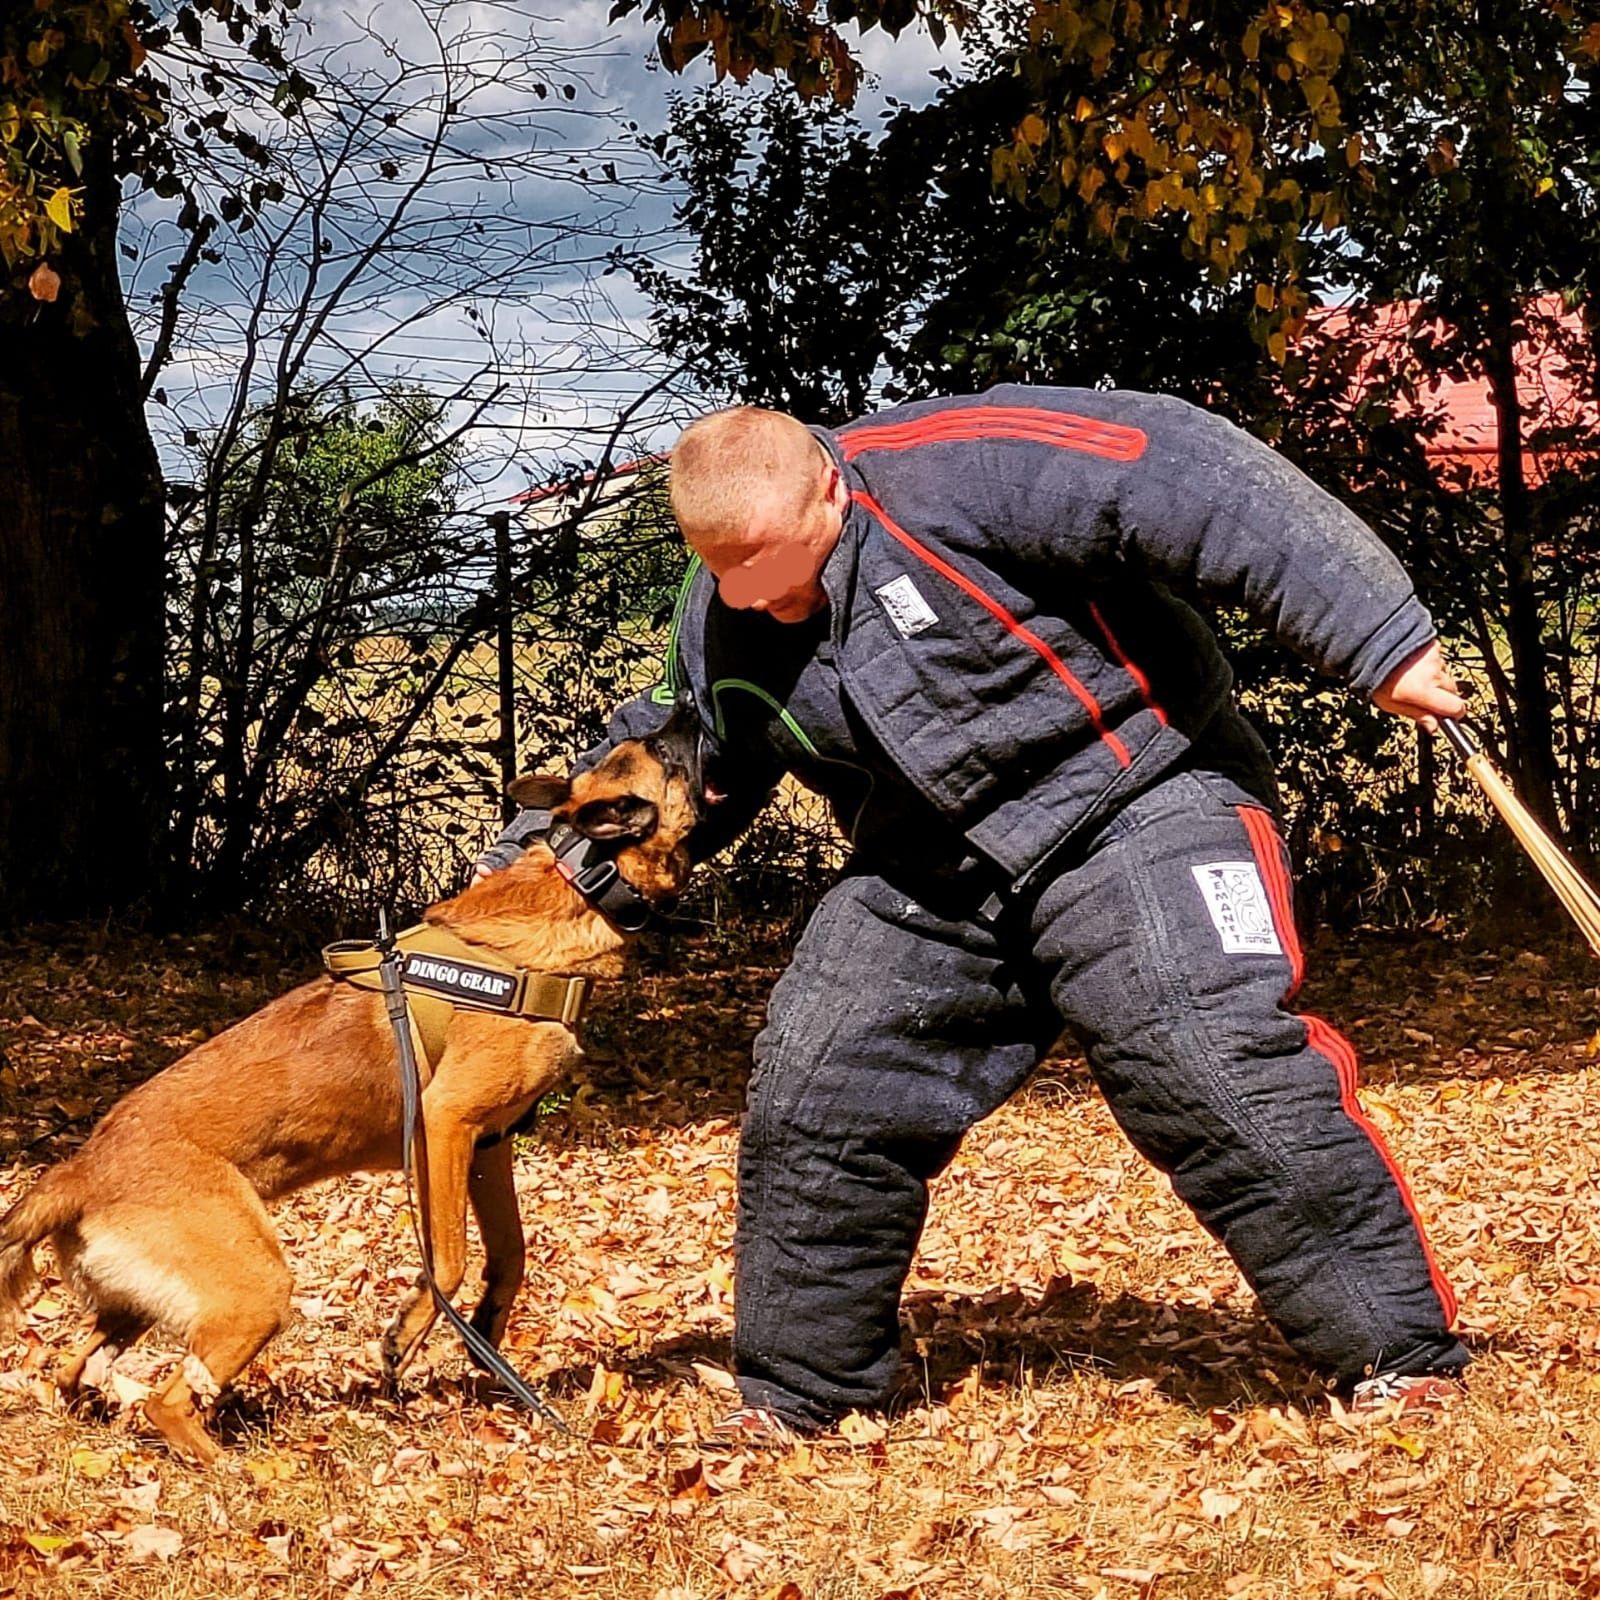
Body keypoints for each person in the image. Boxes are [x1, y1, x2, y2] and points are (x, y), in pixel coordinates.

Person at [478, 386, 1472, 1437]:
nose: (758, 599)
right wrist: (503, 904)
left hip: (1138, 791)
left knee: (1205, 1057)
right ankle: (803, 1395)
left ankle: (1397, 1358)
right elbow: (685, 763)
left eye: (775, 565)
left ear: (830, 485)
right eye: (727, 574)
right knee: (819, 1086)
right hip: (929, 860)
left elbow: (1187, 468)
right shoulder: (724, 610)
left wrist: (1379, 639)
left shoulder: (962, 467)